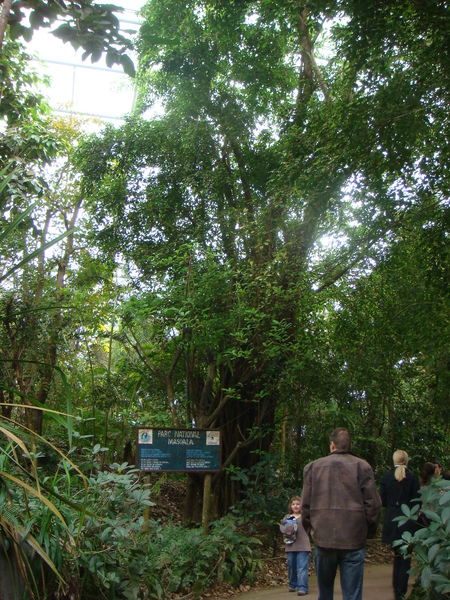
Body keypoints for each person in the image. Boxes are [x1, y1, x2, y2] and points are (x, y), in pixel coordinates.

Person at [301, 427, 381, 600]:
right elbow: (373, 505)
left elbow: (305, 507)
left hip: (323, 539)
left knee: (325, 595)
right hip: (353, 540)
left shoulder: (312, 468)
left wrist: (312, 533)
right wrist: (365, 532)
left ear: (332, 446)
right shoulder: (362, 467)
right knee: (352, 596)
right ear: (350, 445)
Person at [380, 450, 420, 600]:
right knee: (405, 557)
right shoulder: (412, 478)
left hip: (392, 521)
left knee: (398, 556)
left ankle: (397, 591)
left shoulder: (387, 477)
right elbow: (417, 501)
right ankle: (400, 592)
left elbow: (382, 501)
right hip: (407, 521)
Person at [280, 495, 311, 596]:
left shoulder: (305, 516)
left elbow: (311, 527)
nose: (296, 506)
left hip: (303, 545)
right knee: (291, 566)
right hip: (290, 546)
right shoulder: (287, 517)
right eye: (293, 504)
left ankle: (302, 587)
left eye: (298, 504)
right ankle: (292, 584)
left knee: (302, 567)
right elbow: (282, 529)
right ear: (290, 506)